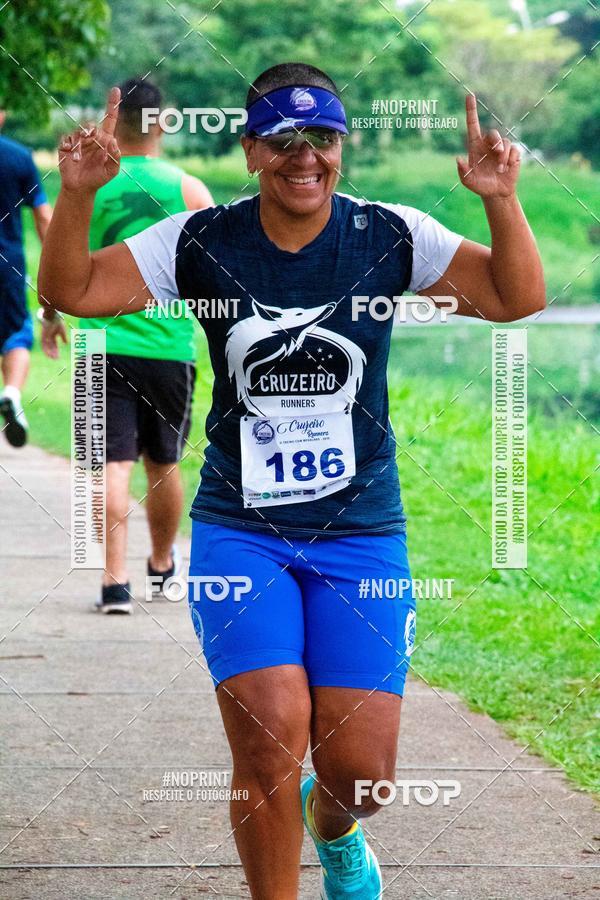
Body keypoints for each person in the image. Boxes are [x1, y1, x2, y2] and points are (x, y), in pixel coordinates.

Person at [39, 63, 545, 898]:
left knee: (365, 778)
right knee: (270, 737)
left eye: (322, 138)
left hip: (360, 532)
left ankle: (334, 825)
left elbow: (512, 297)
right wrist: (80, 194)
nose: (303, 157)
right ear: (250, 150)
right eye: (282, 140)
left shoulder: (390, 235)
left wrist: (499, 196)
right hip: (244, 529)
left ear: (342, 147)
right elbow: (75, 289)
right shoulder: (200, 243)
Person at [40, 78, 213, 614]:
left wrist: (50, 315)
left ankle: (113, 582)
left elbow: (63, 258)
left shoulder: (89, 184)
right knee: (164, 464)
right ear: (164, 121)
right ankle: (162, 567)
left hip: (97, 343)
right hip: (167, 345)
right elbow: (215, 272)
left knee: (109, 465)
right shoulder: (188, 188)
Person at [0, 110, 53, 447]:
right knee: (17, 331)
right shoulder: (20, 158)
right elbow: (43, 217)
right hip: (8, 264)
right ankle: (11, 393)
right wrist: (55, 265)